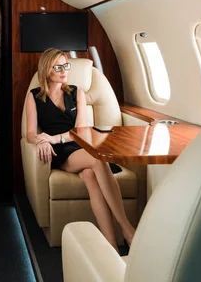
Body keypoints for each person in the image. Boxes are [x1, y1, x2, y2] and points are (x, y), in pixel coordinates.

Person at [25, 48, 135, 250]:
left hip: (78, 143)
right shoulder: (34, 96)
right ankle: (127, 229)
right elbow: (30, 132)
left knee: (90, 177)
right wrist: (41, 140)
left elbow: (81, 129)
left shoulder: (77, 92)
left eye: (65, 65)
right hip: (62, 154)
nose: (64, 70)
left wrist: (55, 138)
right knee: (97, 159)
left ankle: (111, 244)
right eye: (57, 66)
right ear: (46, 69)